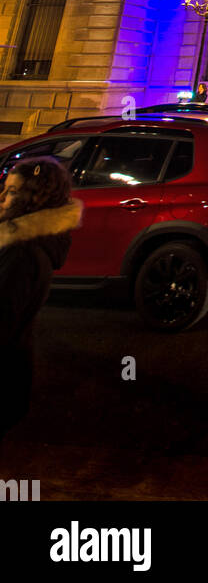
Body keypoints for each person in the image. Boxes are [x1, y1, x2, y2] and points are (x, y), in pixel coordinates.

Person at [0, 157, 82, 441]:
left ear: (32, 199)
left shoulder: (20, 254)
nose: (1, 197)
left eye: (11, 191)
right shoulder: (25, 246)